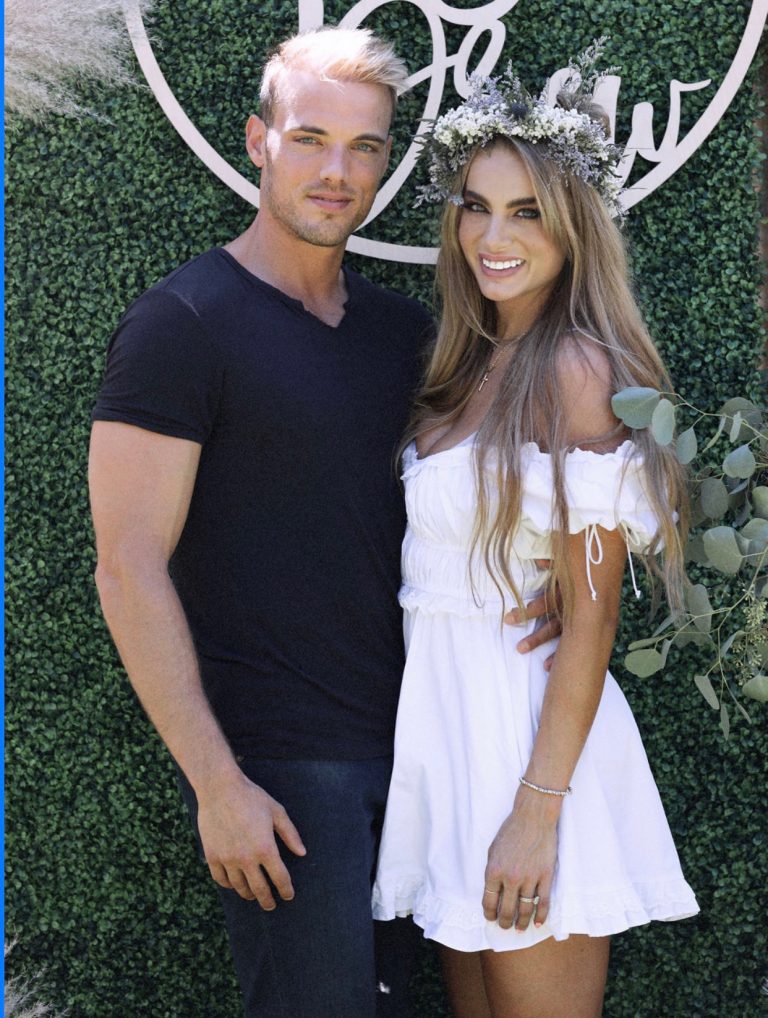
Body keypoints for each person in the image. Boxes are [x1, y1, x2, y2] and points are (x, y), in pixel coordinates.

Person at [88, 27, 559, 1018]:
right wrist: (217, 784)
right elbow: (128, 567)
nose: (337, 172)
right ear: (259, 140)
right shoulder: (183, 325)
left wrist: (542, 586)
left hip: (428, 752)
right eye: (310, 139)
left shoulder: (407, 336)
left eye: (365, 147)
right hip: (284, 776)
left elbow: (450, 509)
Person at [372, 45, 700, 1018]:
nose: (493, 234)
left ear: (571, 226)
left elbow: (590, 622)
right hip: (449, 743)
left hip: (529, 754)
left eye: (525, 211)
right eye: (475, 205)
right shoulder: (459, 372)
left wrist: (536, 811)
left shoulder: (577, 371)